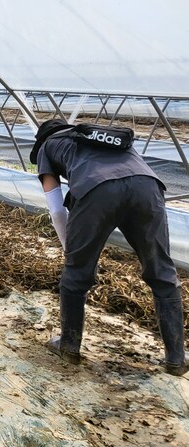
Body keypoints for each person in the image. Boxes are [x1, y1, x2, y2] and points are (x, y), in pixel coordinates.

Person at [31, 119, 187, 375]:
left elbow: (57, 209)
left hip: (97, 191)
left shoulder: (49, 145)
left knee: (76, 273)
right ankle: (176, 359)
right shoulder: (102, 135)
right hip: (147, 187)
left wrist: (70, 252)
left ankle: (69, 345)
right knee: (162, 272)